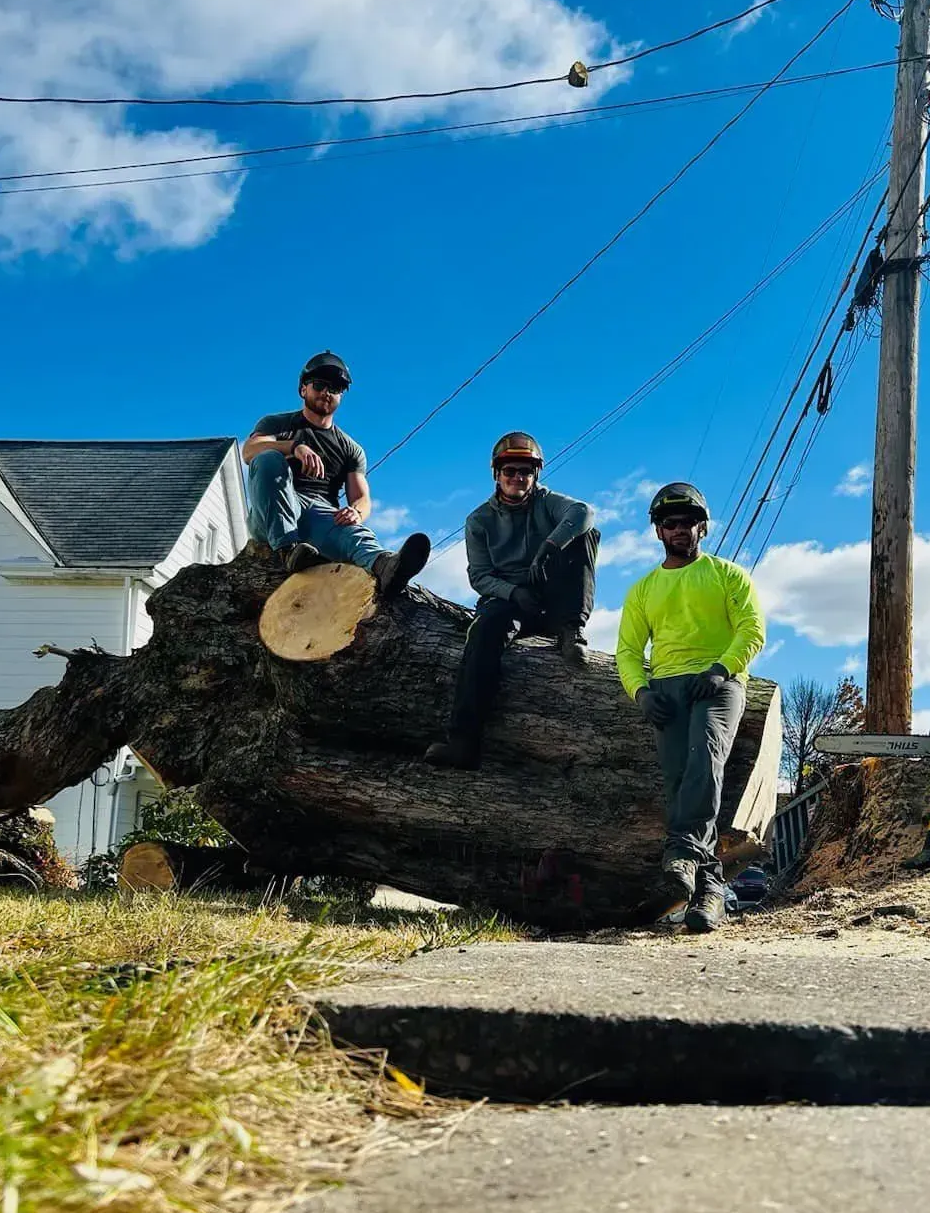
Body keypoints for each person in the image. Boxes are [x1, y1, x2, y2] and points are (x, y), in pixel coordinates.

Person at [615, 482, 765, 933]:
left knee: (705, 758)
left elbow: (752, 628)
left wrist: (722, 668)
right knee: (680, 780)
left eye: (688, 522)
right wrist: (641, 692)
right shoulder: (643, 590)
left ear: (703, 526)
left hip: (717, 684)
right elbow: (627, 650)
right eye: (670, 523)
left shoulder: (728, 576)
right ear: (659, 531)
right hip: (666, 687)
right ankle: (710, 890)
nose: (680, 529)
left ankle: (680, 857)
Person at [424, 432, 599, 769]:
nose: (518, 477)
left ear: (535, 475)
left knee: (585, 533)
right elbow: (479, 576)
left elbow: (584, 512)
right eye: (510, 471)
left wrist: (550, 547)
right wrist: (513, 592)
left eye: (526, 471)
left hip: (554, 596)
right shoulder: (479, 520)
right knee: (484, 632)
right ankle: (463, 742)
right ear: (497, 474)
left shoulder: (547, 502)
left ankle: (572, 630)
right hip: (510, 601)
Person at [242, 350, 431, 595]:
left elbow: (362, 498)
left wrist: (356, 513)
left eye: (335, 388)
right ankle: (287, 550)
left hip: (319, 517)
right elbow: (249, 452)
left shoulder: (350, 448)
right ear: (303, 390)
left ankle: (385, 567)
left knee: (352, 531)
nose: (326, 393)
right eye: (319, 385)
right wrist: (293, 447)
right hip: (273, 512)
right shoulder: (277, 424)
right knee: (267, 459)